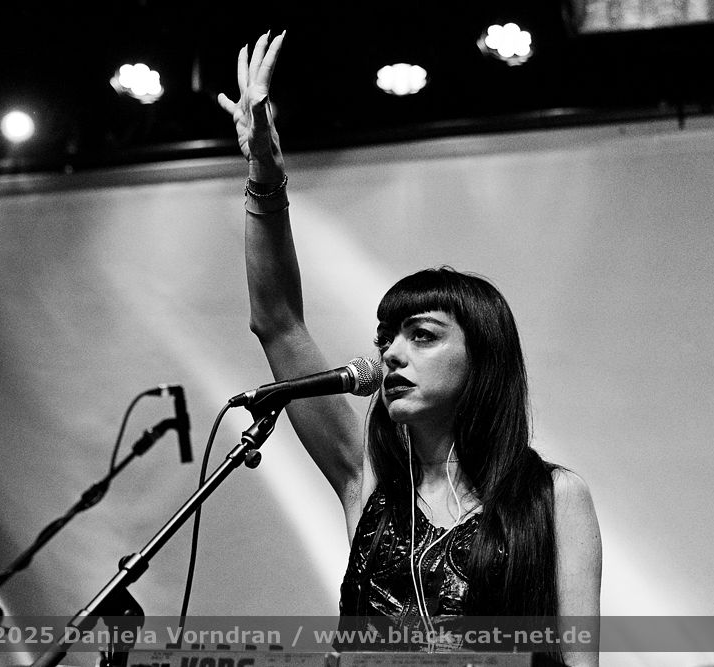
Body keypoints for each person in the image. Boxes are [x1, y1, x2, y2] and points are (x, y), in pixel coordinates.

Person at [217, 32, 602, 666]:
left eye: (421, 335)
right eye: (386, 338)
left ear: (484, 359)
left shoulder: (553, 498)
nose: (393, 353)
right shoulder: (367, 478)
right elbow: (278, 323)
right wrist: (264, 172)